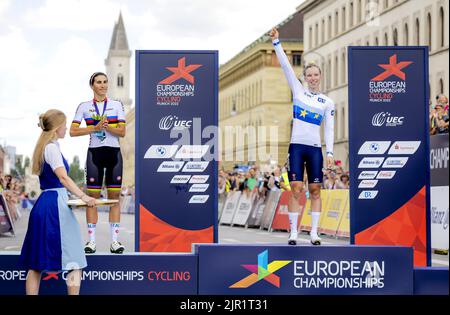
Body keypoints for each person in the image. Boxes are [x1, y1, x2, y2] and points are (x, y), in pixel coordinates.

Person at [19, 109, 96, 295]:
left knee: (36, 263)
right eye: (65, 124)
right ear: (57, 127)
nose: (67, 127)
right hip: (55, 205)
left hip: (45, 203)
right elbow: (63, 178)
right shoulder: (52, 148)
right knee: (75, 260)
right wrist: (84, 197)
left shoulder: (46, 146)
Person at [270, 27, 335, 246]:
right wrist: (277, 43)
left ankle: (314, 233)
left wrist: (330, 152)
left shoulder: (327, 102)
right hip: (297, 147)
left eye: (316, 75)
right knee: (296, 189)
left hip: (315, 148)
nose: (313, 78)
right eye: (309, 75)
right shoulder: (298, 91)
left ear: (320, 77)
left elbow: (330, 129)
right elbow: (287, 67)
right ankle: (294, 233)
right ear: (305, 78)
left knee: (315, 190)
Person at [70, 72, 126, 254]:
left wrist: (107, 126)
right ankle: (91, 241)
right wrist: (94, 128)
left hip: (114, 155)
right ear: (92, 85)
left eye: (105, 82)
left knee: (114, 200)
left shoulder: (117, 105)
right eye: (99, 82)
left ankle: (115, 242)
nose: (102, 85)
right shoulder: (84, 107)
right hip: (94, 154)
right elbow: (72, 131)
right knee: (91, 200)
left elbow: (123, 131)